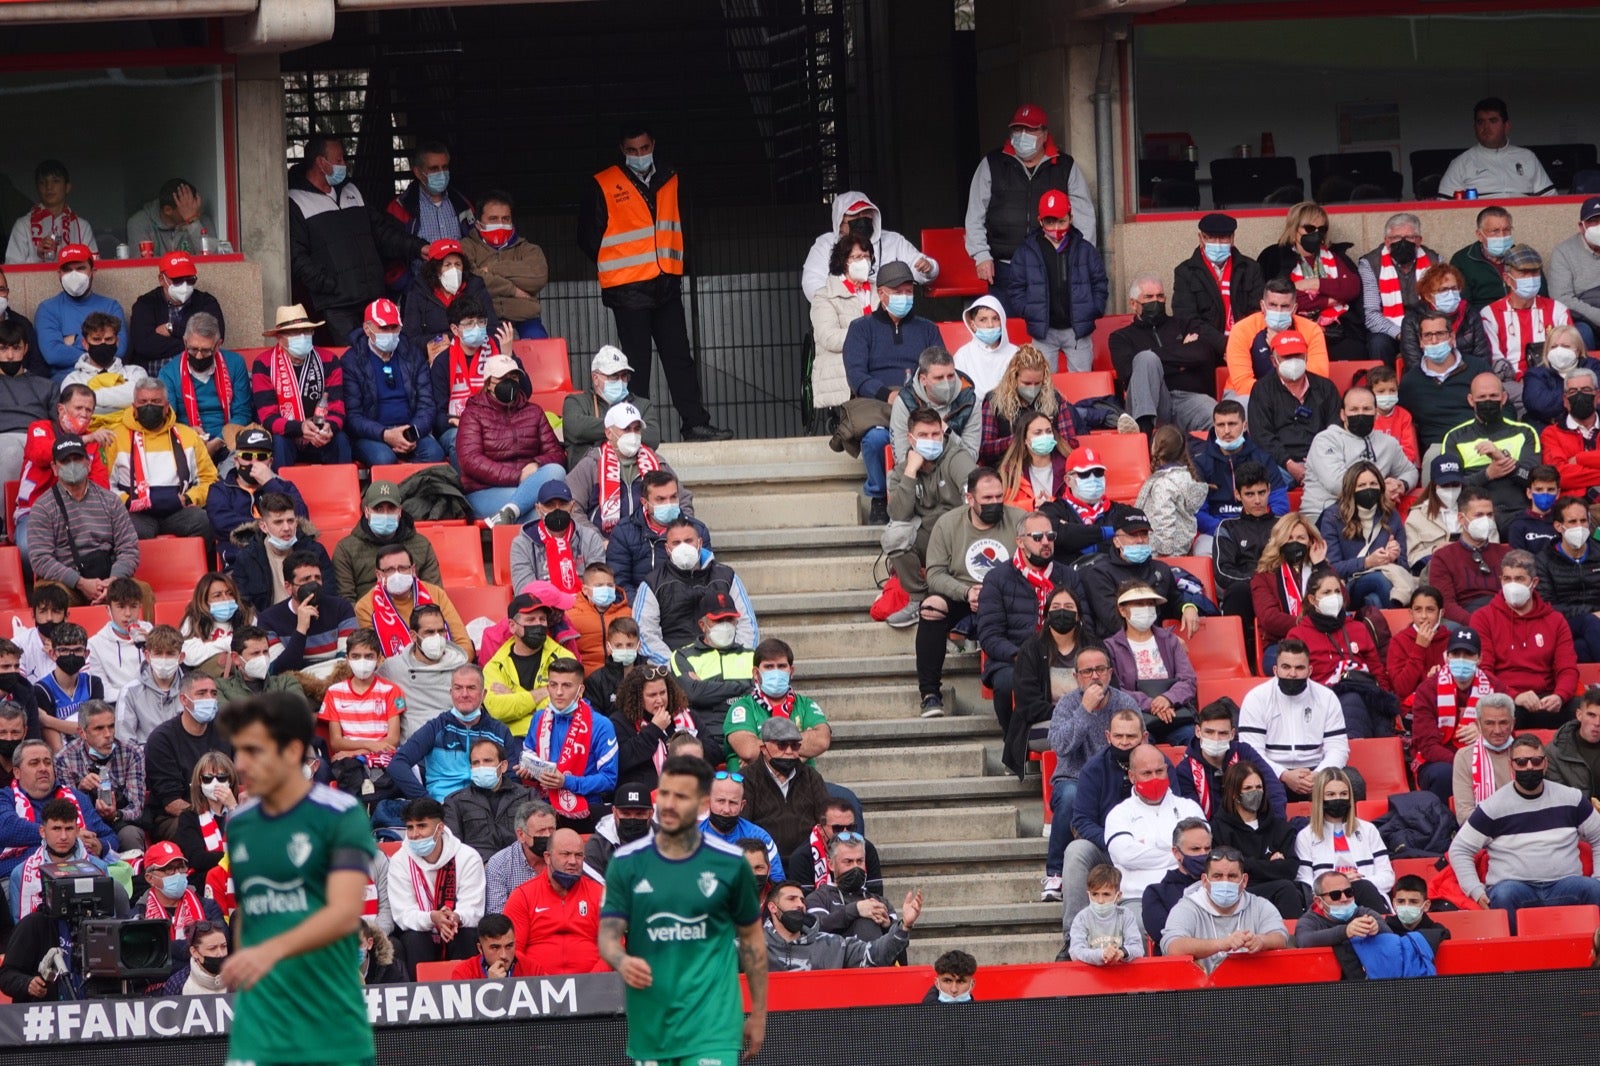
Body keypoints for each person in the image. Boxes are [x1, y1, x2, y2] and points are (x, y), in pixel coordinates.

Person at [599, 754, 767, 1063]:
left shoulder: (730, 863)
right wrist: (621, 960)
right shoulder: (625, 863)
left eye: (681, 796)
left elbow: (753, 940)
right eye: (664, 794)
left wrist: (758, 1011)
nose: (670, 804)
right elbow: (608, 935)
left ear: (703, 804)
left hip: (712, 1026)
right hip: (652, 1026)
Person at [577, 124, 729, 441]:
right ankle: (636, 428)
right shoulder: (603, 183)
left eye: (644, 148)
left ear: (653, 144)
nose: (639, 155)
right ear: (622, 150)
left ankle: (694, 423)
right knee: (637, 366)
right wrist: (619, 263)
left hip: (665, 284)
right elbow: (588, 238)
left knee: (679, 358)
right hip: (627, 289)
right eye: (632, 150)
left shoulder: (670, 177)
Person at [1448, 734, 1600, 931]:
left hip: (1565, 885)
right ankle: (1511, 958)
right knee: (1503, 894)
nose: (1529, 767)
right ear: (1512, 766)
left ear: (1545, 764)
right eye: (1521, 762)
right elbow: (1459, 849)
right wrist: (1475, 890)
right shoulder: (1492, 807)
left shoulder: (1572, 798)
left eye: (1536, 761)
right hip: (1515, 888)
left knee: (1594, 889)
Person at [288, 132, 427, 343]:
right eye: (339, 160)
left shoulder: (352, 190)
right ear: (320, 163)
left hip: (372, 298)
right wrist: (328, 285)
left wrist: (419, 248)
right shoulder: (295, 201)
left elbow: (382, 232)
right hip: (337, 305)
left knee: (381, 356)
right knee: (353, 362)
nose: (344, 164)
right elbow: (296, 256)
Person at [916, 467, 1023, 718]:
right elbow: (934, 574)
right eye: (987, 499)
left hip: (1007, 597)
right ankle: (930, 694)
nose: (995, 503)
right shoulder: (948, 524)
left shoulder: (1019, 520)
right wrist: (965, 592)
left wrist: (995, 593)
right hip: (963, 596)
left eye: (999, 497)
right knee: (931, 607)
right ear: (970, 499)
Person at [842, 260, 944, 523]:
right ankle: (879, 497)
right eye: (897, 291)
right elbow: (856, 374)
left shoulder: (927, 329)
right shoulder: (861, 328)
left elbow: (939, 366)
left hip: (920, 404)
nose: (905, 297)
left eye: (909, 291)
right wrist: (886, 394)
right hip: (878, 405)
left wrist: (918, 394)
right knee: (875, 440)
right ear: (882, 293)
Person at [966, 102, 1096, 303]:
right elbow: (975, 215)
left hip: (1050, 266)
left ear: (1044, 134)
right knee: (1005, 330)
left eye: (1030, 129)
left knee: (1045, 330)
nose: (1022, 134)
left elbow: (1084, 219)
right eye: (1018, 129)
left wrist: (1079, 261)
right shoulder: (992, 163)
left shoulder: (1064, 166)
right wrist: (981, 255)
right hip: (1002, 269)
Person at [1041, 647, 1140, 898]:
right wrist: (1085, 710)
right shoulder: (1068, 703)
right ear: (1076, 677)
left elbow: (1138, 745)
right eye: (1087, 671)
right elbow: (1060, 746)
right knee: (1069, 797)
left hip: (1116, 774)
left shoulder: (1125, 703)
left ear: (1110, 673)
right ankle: (1055, 874)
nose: (1094, 676)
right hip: (1073, 776)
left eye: (1100, 670)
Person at [977, 511, 1085, 732]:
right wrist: (1022, 656)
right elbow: (989, 635)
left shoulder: (1069, 576)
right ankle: (1013, 743)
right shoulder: (997, 579)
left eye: (1050, 536)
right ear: (1020, 541)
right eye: (1037, 537)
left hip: (1065, 652)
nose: (1046, 542)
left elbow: (1086, 622)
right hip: (1014, 656)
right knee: (1007, 682)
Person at [26, 435, 143, 609]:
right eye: (65, 461)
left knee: (143, 591)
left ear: (88, 462)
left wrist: (113, 582)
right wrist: (80, 582)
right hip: (66, 584)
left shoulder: (111, 501)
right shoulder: (42, 507)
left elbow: (128, 547)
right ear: (54, 468)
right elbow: (41, 559)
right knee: (51, 599)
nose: (72, 465)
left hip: (108, 579)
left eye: (77, 458)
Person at [1238, 640, 1358, 802]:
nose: (1292, 674)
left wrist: (1318, 775)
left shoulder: (1327, 697)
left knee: (1354, 782)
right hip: (1271, 772)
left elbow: (1338, 748)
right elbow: (1251, 751)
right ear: (1275, 670)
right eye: (1286, 667)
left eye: (1299, 668)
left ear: (1310, 670)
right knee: (1247, 783)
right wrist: (1284, 775)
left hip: (1316, 771)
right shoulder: (1256, 698)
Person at [1003, 189, 1108, 373]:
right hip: (1043, 331)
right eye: (1050, 222)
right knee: (1043, 388)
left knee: (1082, 386)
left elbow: (1100, 283)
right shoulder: (1026, 252)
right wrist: (1028, 311)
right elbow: (1015, 288)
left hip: (1078, 330)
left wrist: (1093, 309)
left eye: (1061, 221)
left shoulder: (1085, 249)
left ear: (1071, 217)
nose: (1056, 228)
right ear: (1040, 220)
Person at [457, 352, 566, 525]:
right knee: (541, 511)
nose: (510, 382)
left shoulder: (534, 411)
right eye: (502, 378)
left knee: (556, 471)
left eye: (514, 377)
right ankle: (514, 511)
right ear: (488, 384)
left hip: (530, 485)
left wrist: (536, 463)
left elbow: (556, 453)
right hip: (484, 491)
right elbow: (471, 461)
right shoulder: (472, 414)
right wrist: (518, 476)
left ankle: (509, 512)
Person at [104, 377, 217, 542]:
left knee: (203, 521)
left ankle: (196, 568)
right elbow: (104, 484)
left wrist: (188, 498)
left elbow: (210, 479)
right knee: (127, 529)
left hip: (179, 510)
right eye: (143, 402)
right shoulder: (114, 437)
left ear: (166, 407)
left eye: (156, 401)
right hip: (136, 513)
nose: (149, 406)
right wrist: (128, 502)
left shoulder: (188, 435)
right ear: (134, 407)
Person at [1473, 550, 1578, 728]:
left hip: (1546, 698)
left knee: (1586, 713)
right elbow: (1483, 671)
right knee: (1501, 715)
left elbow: (1567, 668)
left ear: (1534, 582)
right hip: (1504, 698)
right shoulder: (1483, 618)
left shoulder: (1555, 620)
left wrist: (1559, 695)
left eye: (1520, 579)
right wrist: (1514, 696)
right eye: (1507, 579)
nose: (1512, 585)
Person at [1287, 569, 1394, 739]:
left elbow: (1377, 671)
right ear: (1312, 599)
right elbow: (1296, 679)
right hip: (1322, 703)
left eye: (1337, 591)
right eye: (1327, 592)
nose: (1334, 596)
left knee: (1379, 715)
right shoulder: (1298, 635)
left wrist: (1386, 701)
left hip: (1366, 694)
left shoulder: (1357, 628)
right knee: (1352, 699)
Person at [1111, 275, 1223, 435]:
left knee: (1215, 416)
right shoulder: (1120, 337)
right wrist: (1180, 358)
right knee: (1145, 359)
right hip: (1150, 402)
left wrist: (1154, 364)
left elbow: (1202, 354)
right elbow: (1128, 372)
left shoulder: (1184, 324)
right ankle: (1144, 432)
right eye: (1148, 297)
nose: (1156, 301)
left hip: (1188, 399)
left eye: (1160, 296)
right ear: (1133, 304)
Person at [1254, 202, 1365, 362]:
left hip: (1337, 328)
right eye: (1310, 229)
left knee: (1355, 350)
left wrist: (1314, 284)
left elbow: (1352, 288)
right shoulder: (1274, 257)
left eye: (1322, 229)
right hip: (1294, 327)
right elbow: (1284, 299)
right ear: (1294, 229)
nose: (1316, 234)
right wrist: (1329, 299)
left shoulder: (1335, 256)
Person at [387, 796, 485, 974]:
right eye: (410, 827)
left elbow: (474, 909)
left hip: (457, 929)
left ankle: (467, 992)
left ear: (439, 828)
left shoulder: (468, 857)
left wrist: (454, 918)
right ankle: (418, 996)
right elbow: (403, 914)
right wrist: (432, 918)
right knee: (414, 939)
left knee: (467, 935)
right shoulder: (400, 861)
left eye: (422, 826)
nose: (415, 834)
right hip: (420, 932)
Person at [342, 296, 444, 465]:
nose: (390, 333)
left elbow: (427, 404)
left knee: (434, 453)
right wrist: (386, 435)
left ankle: (418, 490)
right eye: (384, 328)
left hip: (409, 430)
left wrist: (411, 433)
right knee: (384, 458)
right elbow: (353, 416)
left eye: (394, 327)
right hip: (372, 435)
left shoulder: (413, 355)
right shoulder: (352, 361)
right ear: (367, 329)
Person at [0, 737, 118, 883]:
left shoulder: (77, 797)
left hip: (79, 876)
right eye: (34, 763)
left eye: (47, 762)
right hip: (20, 877)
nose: (43, 768)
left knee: (117, 893)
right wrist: (68, 836)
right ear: (17, 772)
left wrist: (100, 846)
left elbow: (110, 836)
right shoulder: (5, 797)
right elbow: (6, 828)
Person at [631, 522, 749, 667]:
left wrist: (739, 660)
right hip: (674, 670)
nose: (683, 547)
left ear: (699, 542)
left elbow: (747, 625)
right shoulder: (652, 584)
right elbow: (645, 633)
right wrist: (676, 667)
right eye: (676, 543)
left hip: (727, 663)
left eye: (688, 541)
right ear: (667, 549)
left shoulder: (727, 576)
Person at [1073, 508, 1200, 642]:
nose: (1140, 540)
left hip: (1156, 643)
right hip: (1115, 647)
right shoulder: (1099, 573)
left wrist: (1188, 607)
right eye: (1132, 535)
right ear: (1116, 541)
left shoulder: (1161, 569)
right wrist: (1162, 640)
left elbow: (1174, 602)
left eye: (1144, 534)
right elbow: (1113, 621)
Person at [520, 656, 617, 831]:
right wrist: (528, 770)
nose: (558, 692)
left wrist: (566, 781)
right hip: (544, 806)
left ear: (581, 690)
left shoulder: (601, 725)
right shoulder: (539, 718)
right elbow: (528, 755)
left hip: (586, 809)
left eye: (566, 686)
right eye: (553, 684)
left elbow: (609, 779)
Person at [1104, 744, 1206, 910]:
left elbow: (1202, 853)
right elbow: (1126, 856)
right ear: (1132, 776)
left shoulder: (1189, 808)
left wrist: (1148, 854)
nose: (1155, 778)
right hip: (1137, 899)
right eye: (1146, 773)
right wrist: (1179, 855)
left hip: (1189, 896)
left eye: (1159, 771)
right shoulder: (1119, 814)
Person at [1161, 846, 1289, 973]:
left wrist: (1261, 941)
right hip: (1202, 989)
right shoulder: (1187, 908)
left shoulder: (1260, 905)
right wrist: (1221, 944)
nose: (1225, 881)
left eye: (1232, 876)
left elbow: (1280, 937)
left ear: (1244, 880)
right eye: (1217, 876)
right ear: (1205, 881)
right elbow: (1173, 946)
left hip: (1253, 987)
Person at [1440, 372, 1541, 532]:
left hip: (1519, 514)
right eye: (1482, 397)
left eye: (1494, 395)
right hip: (1474, 518)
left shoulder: (1524, 432)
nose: (1488, 401)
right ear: (1471, 400)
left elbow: (1534, 480)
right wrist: (1487, 474)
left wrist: (1503, 459)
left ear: (1504, 398)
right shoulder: (1455, 437)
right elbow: (1451, 488)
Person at [250, 304, 350, 466]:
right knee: (278, 442)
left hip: (321, 435)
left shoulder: (329, 360)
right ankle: (279, 491)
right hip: (287, 436)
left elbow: (337, 409)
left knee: (341, 439)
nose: (302, 336)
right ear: (279, 337)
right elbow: (267, 417)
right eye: (295, 333)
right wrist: (300, 428)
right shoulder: (264, 363)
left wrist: (328, 428)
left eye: (306, 331)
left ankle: (344, 490)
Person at [1408, 627, 1501, 800]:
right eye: (1456, 654)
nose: (1461, 660)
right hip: (1438, 761)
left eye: (1468, 655)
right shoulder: (1428, 690)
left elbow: (1509, 730)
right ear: (1446, 657)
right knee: (1444, 774)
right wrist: (1463, 763)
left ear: (1479, 658)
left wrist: (1485, 733)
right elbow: (1427, 745)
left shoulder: (1495, 687)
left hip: (1484, 755)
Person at [1011, 585, 1091, 782]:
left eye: (1068, 606)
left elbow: (1108, 687)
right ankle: (1071, 783)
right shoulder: (1031, 649)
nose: (1062, 611)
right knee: (1082, 733)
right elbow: (1028, 704)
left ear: (1078, 616)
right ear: (1046, 615)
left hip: (1089, 716)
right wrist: (1071, 715)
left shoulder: (1093, 646)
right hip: (1044, 722)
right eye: (1055, 607)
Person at [1301, 387, 1418, 520]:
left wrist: (1401, 485)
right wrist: (1381, 489)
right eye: (1354, 409)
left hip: (1371, 515)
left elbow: (1410, 471)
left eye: (1367, 409)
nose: (1360, 414)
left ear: (1376, 414)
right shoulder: (1326, 440)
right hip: (1325, 513)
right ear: (1343, 415)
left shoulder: (1388, 442)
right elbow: (1337, 484)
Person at [1105, 582, 1199, 746]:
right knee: (1137, 746)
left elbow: (1188, 680)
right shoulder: (1110, 647)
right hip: (1135, 720)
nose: (1146, 608)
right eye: (1139, 604)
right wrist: (1152, 704)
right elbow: (1115, 689)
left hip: (1174, 715)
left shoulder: (1170, 640)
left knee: (1194, 740)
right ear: (1122, 610)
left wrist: (1167, 699)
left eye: (1150, 604)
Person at [155, 312, 252, 470]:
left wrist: (218, 442)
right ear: (185, 342)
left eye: (206, 350)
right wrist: (187, 433)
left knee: (240, 465)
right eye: (193, 349)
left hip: (229, 440)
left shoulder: (235, 363)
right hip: (187, 441)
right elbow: (168, 418)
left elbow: (243, 413)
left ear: (218, 345)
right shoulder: (169, 372)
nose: (199, 356)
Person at [801, 190, 937, 302]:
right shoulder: (824, 245)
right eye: (854, 215)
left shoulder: (893, 240)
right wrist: (834, 304)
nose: (861, 219)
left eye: (865, 213)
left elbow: (918, 266)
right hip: (841, 312)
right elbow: (812, 282)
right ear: (840, 223)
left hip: (885, 311)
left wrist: (928, 268)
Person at [1209, 762, 1303, 919]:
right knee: (1285, 888)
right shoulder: (1218, 829)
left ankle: (1294, 940)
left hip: (1275, 889)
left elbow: (1290, 868)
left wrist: (1248, 864)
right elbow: (1229, 870)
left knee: (1290, 888)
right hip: (1238, 893)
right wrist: (1270, 865)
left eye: (1258, 787)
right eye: (1248, 789)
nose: (1255, 792)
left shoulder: (1279, 826)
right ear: (1234, 793)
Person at [722, 639, 829, 776]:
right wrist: (800, 750)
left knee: (846, 796)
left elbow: (821, 741)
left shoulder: (805, 705)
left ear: (791, 671)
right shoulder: (743, 707)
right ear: (756, 673)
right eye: (769, 667)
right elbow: (748, 750)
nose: (776, 672)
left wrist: (762, 750)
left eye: (781, 666)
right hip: (752, 788)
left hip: (801, 787)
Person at [763, 878, 918, 972]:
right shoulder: (748, 946)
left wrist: (904, 925)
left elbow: (874, 955)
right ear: (772, 907)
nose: (800, 905)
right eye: (791, 899)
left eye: (802, 900)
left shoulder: (831, 944)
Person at [1191, 401, 1290, 547]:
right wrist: (1225, 530)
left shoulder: (1263, 458)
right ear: (1214, 426)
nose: (1226, 431)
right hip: (1217, 531)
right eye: (1220, 425)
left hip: (1260, 527)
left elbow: (1280, 503)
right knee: (1203, 549)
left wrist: (1256, 527)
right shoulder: (1200, 462)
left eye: (1232, 424)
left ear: (1244, 425)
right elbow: (1198, 512)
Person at [1295, 766, 1394, 913]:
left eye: (1343, 794)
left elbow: (1388, 877)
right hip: (1329, 905)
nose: (1338, 799)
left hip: (1368, 898)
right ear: (1319, 798)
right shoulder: (1306, 836)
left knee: (1363, 888)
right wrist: (1340, 885)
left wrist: (1357, 884)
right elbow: (1306, 883)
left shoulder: (1368, 830)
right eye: (1331, 794)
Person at [54, 699, 146, 855]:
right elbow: (65, 810)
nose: (108, 734)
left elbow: (137, 807)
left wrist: (115, 814)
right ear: (82, 732)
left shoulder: (132, 753)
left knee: (130, 835)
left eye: (111, 726)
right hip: (84, 824)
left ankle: (135, 877)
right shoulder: (64, 759)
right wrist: (80, 790)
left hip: (120, 821)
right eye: (99, 729)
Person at [482, 588, 578, 735]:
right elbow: (497, 710)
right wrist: (544, 692)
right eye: (531, 620)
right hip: (513, 742)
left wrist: (513, 694)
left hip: (556, 736)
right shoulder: (495, 666)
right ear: (513, 626)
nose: (538, 625)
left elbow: (563, 706)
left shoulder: (565, 658)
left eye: (542, 619)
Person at [1250, 331, 1340, 485]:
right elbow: (1262, 436)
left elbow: (1336, 427)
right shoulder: (1261, 390)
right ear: (1273, 360)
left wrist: (1319, 459)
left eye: (1297, 355)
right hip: (1280, 465)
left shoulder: (1326, 387)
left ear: (1306, 357)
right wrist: (1290, 464)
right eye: (1286, 357)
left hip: (1323, 459)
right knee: (1259, 479)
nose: (1293, 361)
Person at [7, 795, 115, 924]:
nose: (63, 837)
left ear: (77, 831)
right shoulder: (20, 874)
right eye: (56, 829)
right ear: (42, 831)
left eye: (69, 829)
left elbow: (109, 923)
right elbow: (20, 929)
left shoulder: (99, 868)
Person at [976, 344, 1087, 467]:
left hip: (1049, 467)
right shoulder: (994, 401)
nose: (1032, 388)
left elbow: (1071, 444)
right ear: (1013, 378)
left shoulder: (1055, 399)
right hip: (1008, 470)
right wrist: (1018, 440)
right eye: (1026, 383)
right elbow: (984, 449)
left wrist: (1047, 438)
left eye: (1037, 383)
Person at [355, 544, 472, 659]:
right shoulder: (366, 606)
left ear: (413, 570)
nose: (397, 574)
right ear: (379, 575)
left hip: (445, 668)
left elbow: (464, 645)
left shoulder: (435, 593)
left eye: (403, 568)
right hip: (396, 675)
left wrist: (447, 666)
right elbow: (373, 657)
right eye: (390, 570)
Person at [383, 139, 474, 287]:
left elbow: (475, 244)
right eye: (434, 168)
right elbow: (390, 252)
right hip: (419, 290)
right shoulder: (399, 208)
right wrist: (408, 287)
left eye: (444, 167)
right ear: (418, 172)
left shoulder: (462, 204)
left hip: (461, 288)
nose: (441, 173)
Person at [1399, 310, 1492, 454]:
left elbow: (1503, 406)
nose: (1434, 341)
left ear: (1452, 337)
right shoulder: (1411, 382)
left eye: (1440, 334)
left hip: (1478, 442)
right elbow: (1402, 420)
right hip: (1437, 448)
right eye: (1428, 335)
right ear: (1420, 341)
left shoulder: (1478, 368)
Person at [333, 479, 442, 601]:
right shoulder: (346, 549)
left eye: (391, 508)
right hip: (368, 616)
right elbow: (346, 602)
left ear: (400, 511)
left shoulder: (422, 545)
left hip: (417, 615)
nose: (385, 514)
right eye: (378, 509)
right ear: (367, 511)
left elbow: (435, 594)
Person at [1316, 461, 1407, 609]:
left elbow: (1404, 566)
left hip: (1387, 579)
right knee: (1379, 581)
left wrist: (1393, 558)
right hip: (1349, 584)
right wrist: (1367, 562)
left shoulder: (1390, 514)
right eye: (1361, 486)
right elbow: (1331, 568)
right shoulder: (1333, 517)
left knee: (1374, 601)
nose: (1368, 489)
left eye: (1373, 484)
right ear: (1350, 489)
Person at [461, 189, 549, 340]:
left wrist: (493, 269)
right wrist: (513, 290)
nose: (500, 224)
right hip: (484, 319)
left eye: (505, 219)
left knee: (539, 342)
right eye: (493, 219)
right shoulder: (466, 247)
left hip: (525, 318)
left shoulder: (529, 249)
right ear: (478, 223)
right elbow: (472, 280)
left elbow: (538, 277)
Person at [1224, 279, 1331, 399]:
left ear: (1294, 309)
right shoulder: (1242, 329)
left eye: (1284, 306)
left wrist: (1281, 348)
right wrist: (1281, 399)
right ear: (1262, 306)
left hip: (1300, 395)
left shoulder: (1312, 330)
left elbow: (1318, 377)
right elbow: (1243, 384)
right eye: (1273, 305)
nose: (1278, 311)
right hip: (1248, 395)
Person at [1481, 245, 1571, 388]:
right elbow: (1495, 358)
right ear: (1507, 278)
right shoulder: (1490, 314)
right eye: (1523, 273)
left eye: (1535, 272)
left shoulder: (1557, 310)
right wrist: (1519, 378)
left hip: (1553, 380)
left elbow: (1570, 350)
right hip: (1511, 383)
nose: (1530, 278)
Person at [378, 604, 470, 741]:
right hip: (411, 750)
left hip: (452, 746)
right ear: (413, 636)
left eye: (441, 631)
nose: (437, 637)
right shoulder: (392, 668)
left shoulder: (462, 668)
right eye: (429, 632)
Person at [1359, 213, 1441, 366]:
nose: (1402, 242)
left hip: (1424, 326)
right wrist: (1401, 333)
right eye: (1396, 238)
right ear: (1386, 241)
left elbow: (1440, 305)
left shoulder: (1434, 261)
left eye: (1409, 237)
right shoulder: (1370, 263)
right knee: (1378, 343)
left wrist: (1422, 331)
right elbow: (1371, 314)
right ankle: (1384, 387)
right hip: (1389, 330)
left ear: (1418, 241)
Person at [742, 717, 831, 858]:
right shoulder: (746, 779)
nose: (789, 751)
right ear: (764, 749)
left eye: (795, 746)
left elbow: (825, 821)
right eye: (782, 745)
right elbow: (743, 828)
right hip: (765, 861)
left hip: (807, 861)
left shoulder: (811, 777)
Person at [667, 590, 760, 721]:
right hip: (705, 730)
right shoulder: (682, 656)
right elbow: (693, 694)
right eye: (718, 620)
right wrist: (745, 686)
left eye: (730, 619)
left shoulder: (751, 655)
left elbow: (762, 692)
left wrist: (706, 688)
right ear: (702, 625)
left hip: (747, 724)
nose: (725, 625)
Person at [1438, 97, 1556, 200]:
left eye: (1493, 121)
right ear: (1475, 128)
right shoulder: (1461, 162)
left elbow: (1551, 198)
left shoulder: (1527, 157)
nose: (1486, 127)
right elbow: (1443, 207)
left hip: (1525, 222)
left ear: (1506, 126)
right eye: (1480, 122)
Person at [1213, 463, 1279, 644]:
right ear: (1237, 495)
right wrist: (1257, 582)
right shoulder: (1227, 527)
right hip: (1245, 588)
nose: (1257, 500)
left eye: (1261, 492)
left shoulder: (1284, 526)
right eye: (1250, 494)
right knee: (1237, 590)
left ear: (1269, 490)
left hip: (1279, 587)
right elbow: (1222, 571)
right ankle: (1240, 648)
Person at [128, 250, 227, 372]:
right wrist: (193, 343)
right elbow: (144, 345)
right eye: (178, 279)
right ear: (161, 279)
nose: (185, 285)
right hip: (154, 380)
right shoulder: (145, 304)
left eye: (190, 279)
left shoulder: (206, 302)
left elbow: (215, 336)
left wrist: (172, 329)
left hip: (198, 376)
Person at [561, 345, 659, 466]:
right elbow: (575, 428)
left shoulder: (642, 405)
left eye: (624, 376)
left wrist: (606, 432)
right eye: (614, 376)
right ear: (595, 378)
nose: (620, 381)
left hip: (632, 475)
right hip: (591, 477)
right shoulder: (576, 401)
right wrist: (624, 428)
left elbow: (653, 437)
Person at [401, 237, 500, 356]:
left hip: (474, 353)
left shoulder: (475, 287)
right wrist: (441, 341)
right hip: (434, 356)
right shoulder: (419, 291)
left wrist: (462, 342)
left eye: (458, 264)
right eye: (447, 265)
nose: (454, 270)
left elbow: (492, 328)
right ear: (435, 269)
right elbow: (411, 337)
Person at [1173, 212, 1266, 337]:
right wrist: (1223, 344)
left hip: (1245, 339)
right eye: (1210, 238)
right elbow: (1187, 318)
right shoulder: (1185, 272)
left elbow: (1257, 312)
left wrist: (1239, 343)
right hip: (1206, 343)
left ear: (1232, 238)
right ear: (1201, 238)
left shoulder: (1250, 268)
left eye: (1223, 238)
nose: (1217, 244)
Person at [1535, 494, 1600, 660]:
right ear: (1558, 526)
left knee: (1581, 648)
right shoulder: (1544, 560)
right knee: (1589, 623)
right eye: (1572, 522)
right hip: (1563, 621)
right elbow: (1547, 605)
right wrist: (1591, 613)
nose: (1579, 526)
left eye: (1583, 521)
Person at [1398, 263, 1494, 373]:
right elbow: (1413, 363)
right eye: (1443, 290)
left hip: (1467, 378)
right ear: (1428, 296)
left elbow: (1482, 357)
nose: (1450, 294)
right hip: (1427, 381)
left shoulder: (1470, 314)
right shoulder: (1413, 319)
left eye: (1454, 288)